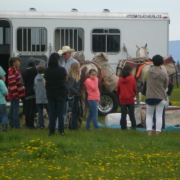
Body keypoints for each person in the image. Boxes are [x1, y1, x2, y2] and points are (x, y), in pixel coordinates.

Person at [44, 52, 67, 136]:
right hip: (61, 93)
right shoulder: (62, 69)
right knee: (60, 113)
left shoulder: (46, 70)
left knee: (52, 113)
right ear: (58, 60)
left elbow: (45, 79)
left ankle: (51, 130)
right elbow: (66, 79)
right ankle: (61, 131)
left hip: (50, 93)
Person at [145, 55, 168, 136]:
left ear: (153, 61)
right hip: (160, 97)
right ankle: (157, 133)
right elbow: (166, 85)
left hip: (149, 96)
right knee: (159, 116)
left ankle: (149, 133)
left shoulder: (148, 72)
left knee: (149, 115)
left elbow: (146, 81)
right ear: (162, 62)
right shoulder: (164, 73)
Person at [58, 46, 79, 127]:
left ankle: (71, 123)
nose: (63, 55)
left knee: (72, 106)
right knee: (70, 107)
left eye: (65, 54)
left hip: (71, 85)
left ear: (69, 54)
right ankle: (71, 123)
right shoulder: (63, 62)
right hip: (65, 86)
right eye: (63, 54)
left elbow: (77, 76)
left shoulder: (74, 62)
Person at [116, 65, 137, 130]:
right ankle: (133, 126)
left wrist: (119, 96)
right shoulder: (132, 79)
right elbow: (135, 89)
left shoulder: (120, 79)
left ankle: (123, 127)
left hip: (122, 99)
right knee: (131, 114)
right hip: (130, 99)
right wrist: (133, 94)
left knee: (123, 114)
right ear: (129, 71)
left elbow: (117, 89)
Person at [7, 57, 25, 129]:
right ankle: (16, 125)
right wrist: (15, 93)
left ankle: (12, 123)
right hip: (15, 94)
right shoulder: (12, 72)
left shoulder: (16, 70)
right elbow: (12, 83)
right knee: (15, 109)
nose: (19, 63)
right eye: (18, 61)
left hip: (17, 93)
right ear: (13, 63)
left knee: (12, 108)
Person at [21, 57, 37, 129]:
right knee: (32, 109)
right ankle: (31, 124)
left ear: (27, 64)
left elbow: (22, 83)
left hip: (27, 91)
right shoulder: (35, 70)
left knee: (27, 108)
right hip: (33, 91)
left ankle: (27, 123)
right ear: (34, 64)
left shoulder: (24, 72)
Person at [66, 62, 80, 130]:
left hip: (75, 95)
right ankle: (73, 126)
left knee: (77, 110)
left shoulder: (74, 76)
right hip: (73, 95)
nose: (79, 69)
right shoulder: (72, 77)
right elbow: (70, 87)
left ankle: (73, 124)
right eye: (78, 67)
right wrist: (77, 92)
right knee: (75, 111)